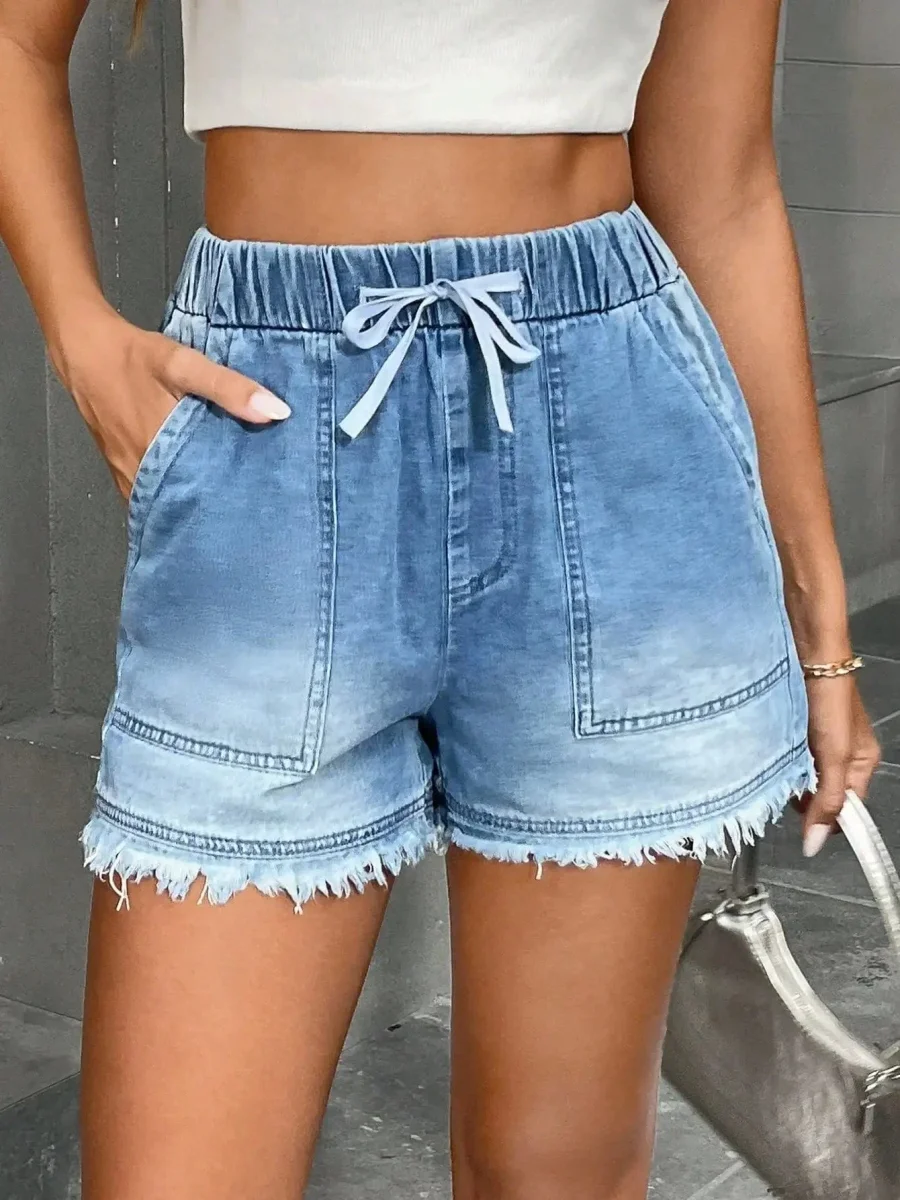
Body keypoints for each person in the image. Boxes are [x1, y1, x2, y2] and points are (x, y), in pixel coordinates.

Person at [0, 1, 882, 1197]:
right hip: (277, 444)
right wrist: (82, 341)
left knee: (554, 1173)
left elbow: (718, 183)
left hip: (610, 442)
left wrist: (821, 620)